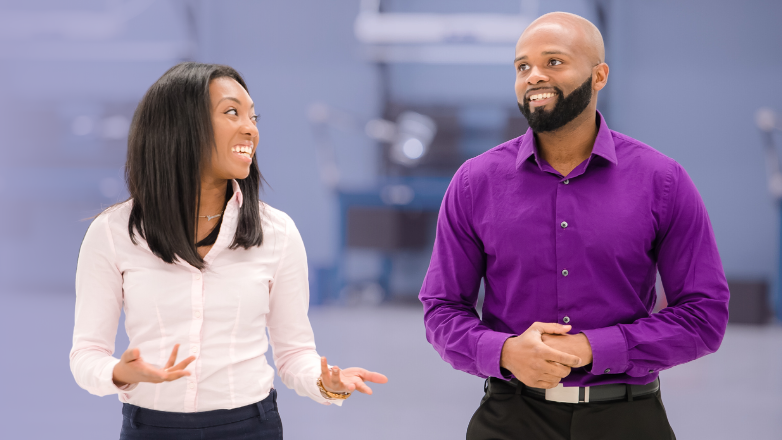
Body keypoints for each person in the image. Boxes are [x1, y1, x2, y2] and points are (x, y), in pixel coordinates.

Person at [419, 12, 728, 440]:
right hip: (511, 417)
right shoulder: (475, 182)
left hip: (627, 419)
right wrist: (505, 351)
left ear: (599, 75)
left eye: (554, 62)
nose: (534, 76)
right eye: (522, 66)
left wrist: (592, 348)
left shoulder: (663, 181)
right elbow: (441, 309)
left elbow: (703, 316)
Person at [70, 62, 387, 439]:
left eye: (253, 116)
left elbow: (294, 354)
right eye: (231, 112)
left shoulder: (277, 232)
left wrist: (328, 383)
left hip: (249, 428)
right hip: (150, 427)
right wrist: (119, 373)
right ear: (179, 126)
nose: (250, 128)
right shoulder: (114, 232)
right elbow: (86, 354)